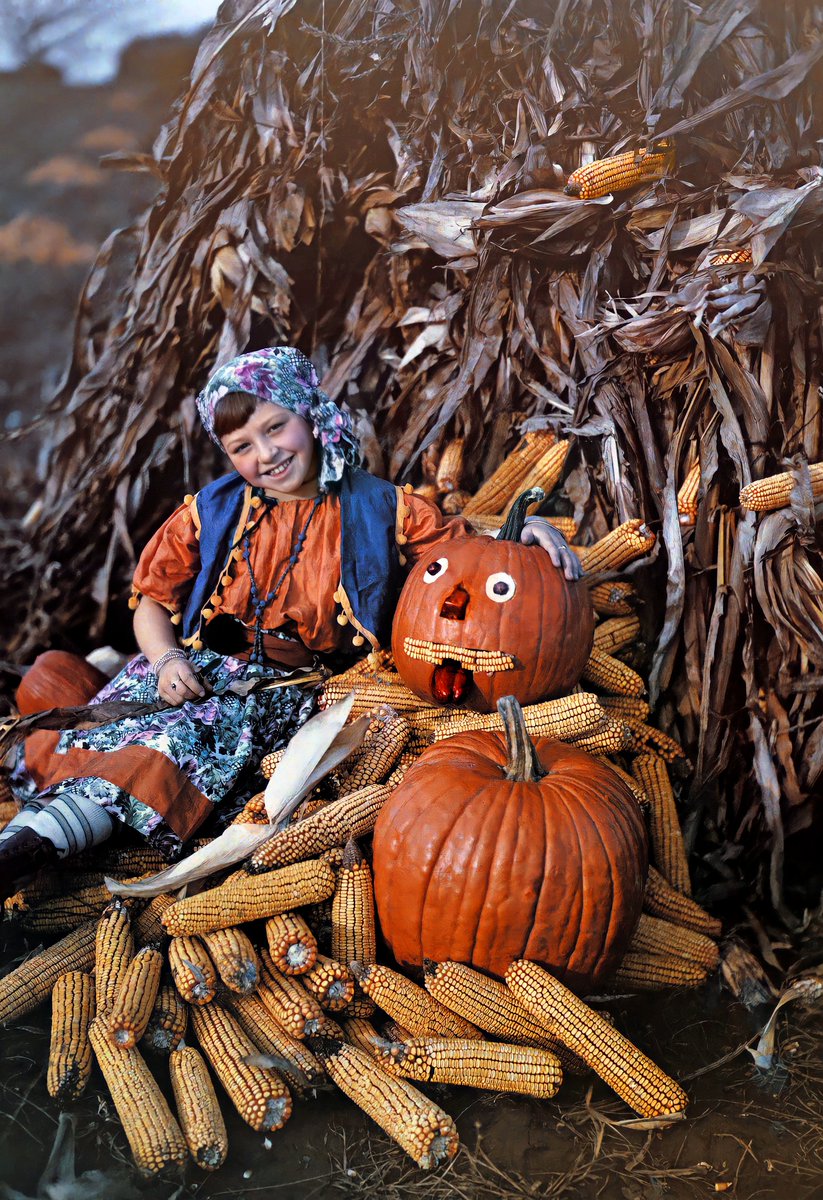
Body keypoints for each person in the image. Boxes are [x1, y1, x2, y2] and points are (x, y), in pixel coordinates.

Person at [0, 347, 580, 898]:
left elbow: (466, 556)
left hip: (275, 690)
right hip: (190, 670)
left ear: (310, 413)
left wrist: (520, 533)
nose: (266, 453)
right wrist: (166, 658)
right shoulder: (212, 509)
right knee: (99, 739)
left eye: (276, 427)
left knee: (167, 747)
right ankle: (21, 848)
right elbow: (151, 601)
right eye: (241, 445)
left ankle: (34, 848)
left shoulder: (383, 508)